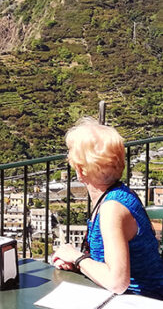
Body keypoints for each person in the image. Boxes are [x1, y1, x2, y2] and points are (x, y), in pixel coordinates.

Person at [52, 118, 163, 299]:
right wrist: (81, 264)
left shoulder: (112, 208)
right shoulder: (120, 194)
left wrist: (77, 257)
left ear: (80, 171)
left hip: (143, 300)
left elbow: (118, 282)